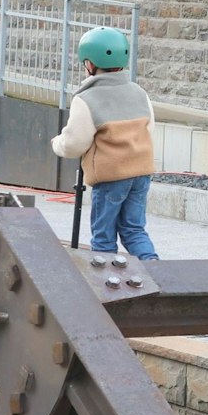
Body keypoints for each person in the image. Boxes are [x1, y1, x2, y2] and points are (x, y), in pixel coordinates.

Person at [51, 27, 158, 259]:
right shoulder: (139, 92)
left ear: (89, 63)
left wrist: (57, 143)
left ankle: (109, 285)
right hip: (141, 173)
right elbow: (149, 129)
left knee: (103, 236)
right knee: (134, 229)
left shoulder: (86, 99)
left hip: (110, 177)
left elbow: (74, 144)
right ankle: (155, 270)